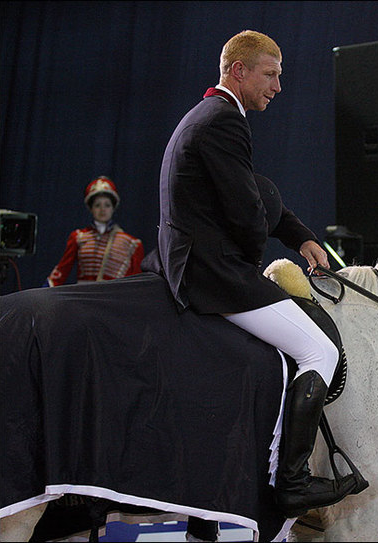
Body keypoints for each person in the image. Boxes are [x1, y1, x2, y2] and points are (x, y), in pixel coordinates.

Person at [142, 29, 361, 519]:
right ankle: (293, 482)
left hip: (203, 264)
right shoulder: (223, 121)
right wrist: (256, 254)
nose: (278, 86)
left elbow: (254, 191)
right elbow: (245, 213)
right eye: (271, 74)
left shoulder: (215, 115)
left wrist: (300, 234)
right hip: (211, 274)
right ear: (238, 71)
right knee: (320, 349)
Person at [47, 176, 144, 287]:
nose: (102, 210)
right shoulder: (78, 237)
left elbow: (135, 282)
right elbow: (62, 270)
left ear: (113, 208)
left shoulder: (131, 243)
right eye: (97, 205)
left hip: (114, 299)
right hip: (84, 297)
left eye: (107, 205)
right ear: (91, 208)